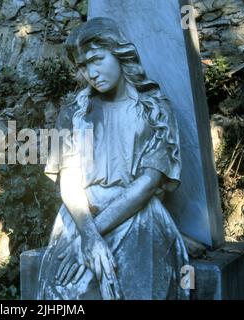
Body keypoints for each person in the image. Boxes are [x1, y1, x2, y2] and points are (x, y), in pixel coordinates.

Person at [38, 17, 189, 300]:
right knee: (68, 287)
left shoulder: (154, 110)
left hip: (137, 214)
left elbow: (146, 184)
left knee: (135, 283)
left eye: (97, 59)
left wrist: (93, 235)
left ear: (118, 53)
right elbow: (69, 182)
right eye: (83, 66)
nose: (91, 73)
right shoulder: (74, 111)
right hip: (80, 217)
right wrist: (87, 234)